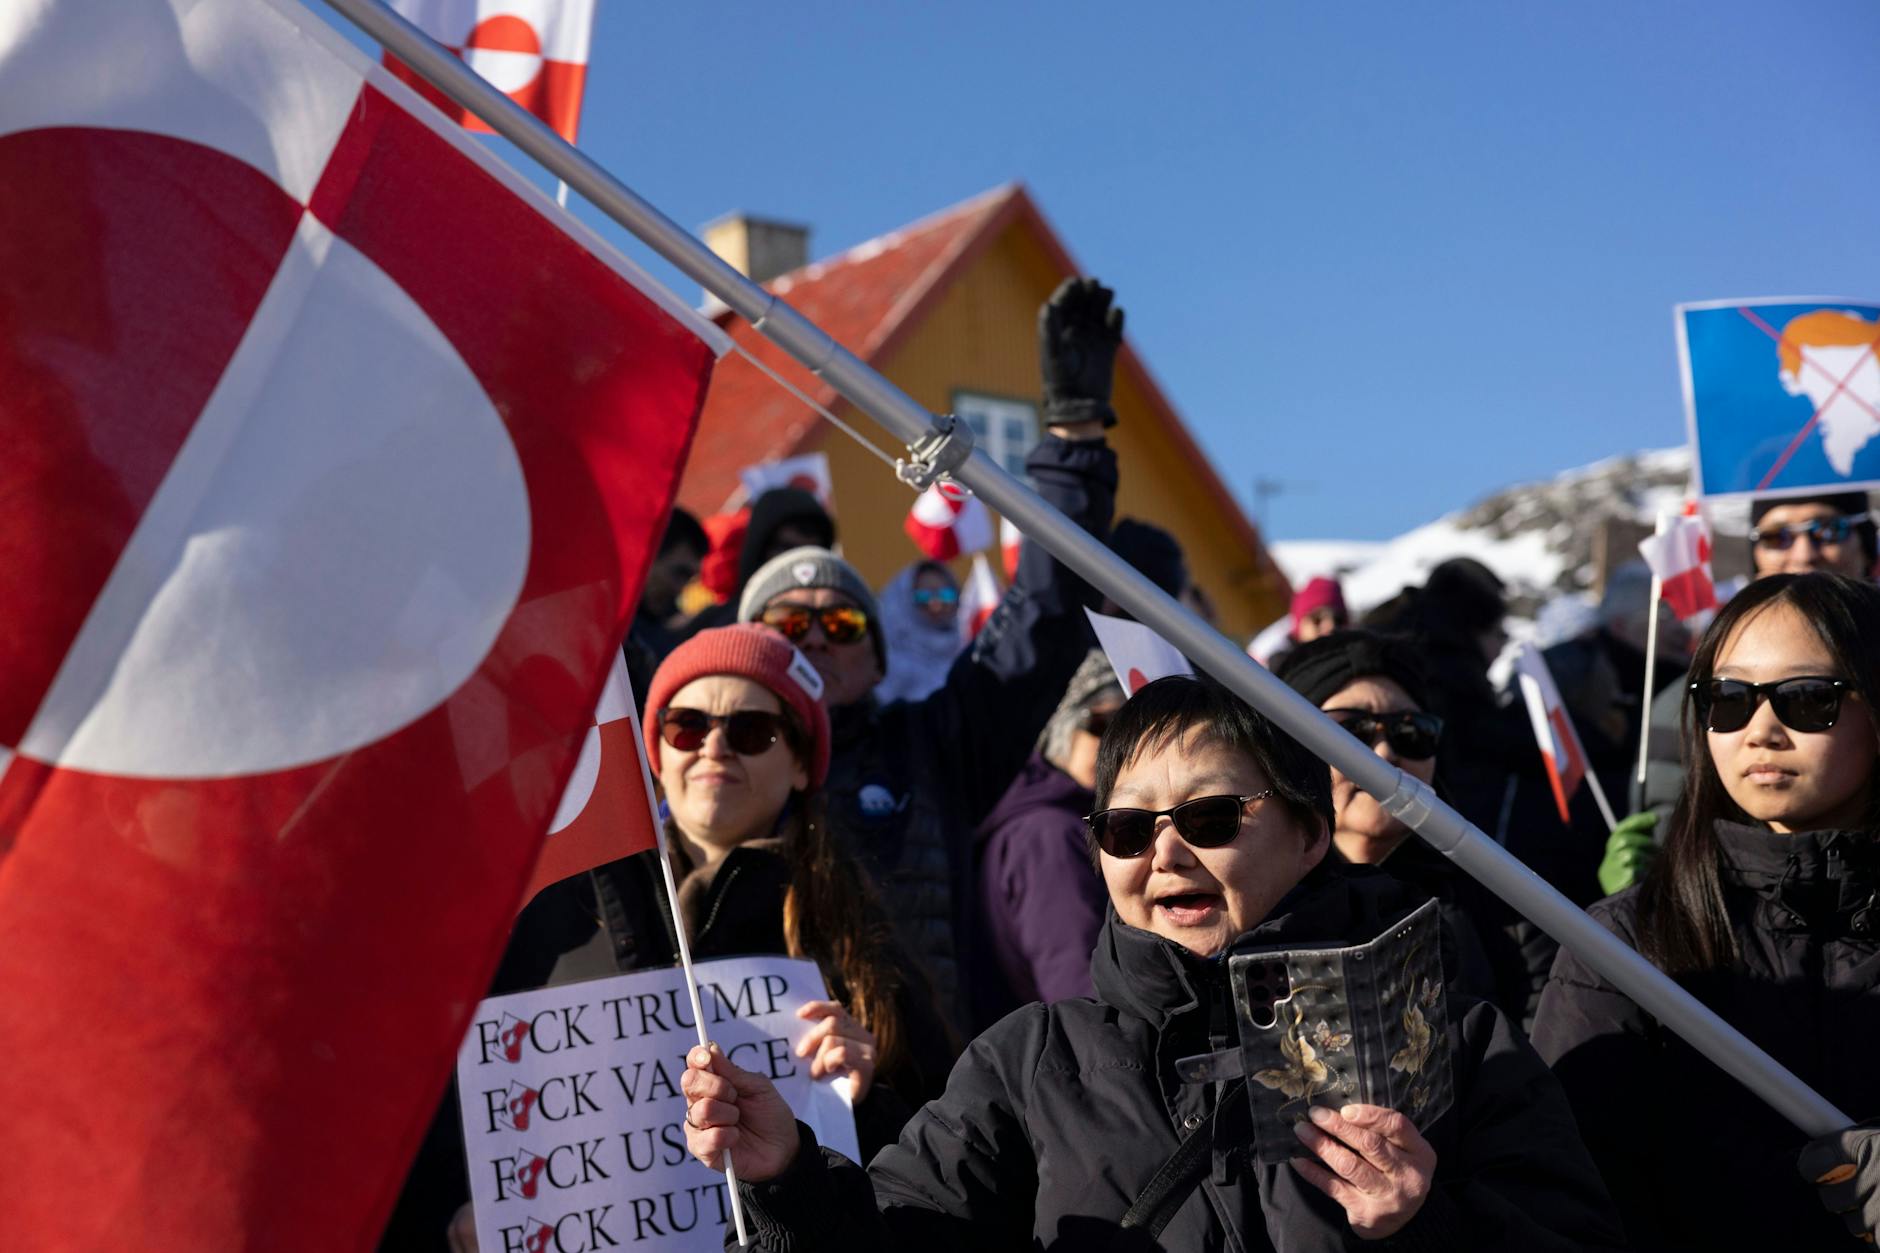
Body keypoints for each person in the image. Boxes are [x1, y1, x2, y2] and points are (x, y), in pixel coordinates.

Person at [679, 675, 1625, 1251]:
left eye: (1210, 818)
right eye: (1128, 827)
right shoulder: (1028, 1061)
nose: (1164, 855)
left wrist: (1423, 1232)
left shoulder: (1455, 1041)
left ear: (1307, 837)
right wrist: (788, 1180)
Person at [402, 626, 953, 1253]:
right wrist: (455, 1214)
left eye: (751, 731)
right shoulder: (552, 918)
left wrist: (864, 1105)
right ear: (656, 755)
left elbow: (934, 1188)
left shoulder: (863, 948)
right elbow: (448, 1101)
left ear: (801, 764)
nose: (716, 747)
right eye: (687, 726)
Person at [732, 277, 1122, 1023]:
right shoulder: (699, 757)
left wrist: (1073, 438)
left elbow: (1040, 618)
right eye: (788, 625)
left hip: (928, 1111)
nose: (814, 636)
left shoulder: (932, 749)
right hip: (759, 1105)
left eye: (842, 625)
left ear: (879, 662)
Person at [1531, 572, 1880, 1250]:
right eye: (1729, 699)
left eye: (1809, 698)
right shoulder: (1627, 943)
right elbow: (1563, 1197)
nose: (1762, 730)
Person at [966, 650, 1120, 1032]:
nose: (1121, 744)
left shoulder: (1070, 816)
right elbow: (1081, 994)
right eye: (1103, 724)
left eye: (1132, 727)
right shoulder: (1048, 835)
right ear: (1060, 728)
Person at [683, 486, 837, 637]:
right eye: (786, 549)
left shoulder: (839, 626)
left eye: (810, 552)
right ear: (758, 549)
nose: (796, 562)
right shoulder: (715, 631)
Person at [624, 506, 708, 700]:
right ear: (646, 555)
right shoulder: (606, 637)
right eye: (678, 573)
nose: (680, 589)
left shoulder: (673, 634)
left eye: (689, 579)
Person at [873, 560, 964, 705]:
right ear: (903, 600)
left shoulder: (967, 655)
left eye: (946, 595)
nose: (936, 604)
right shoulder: (884, 665)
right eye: (924, 596)